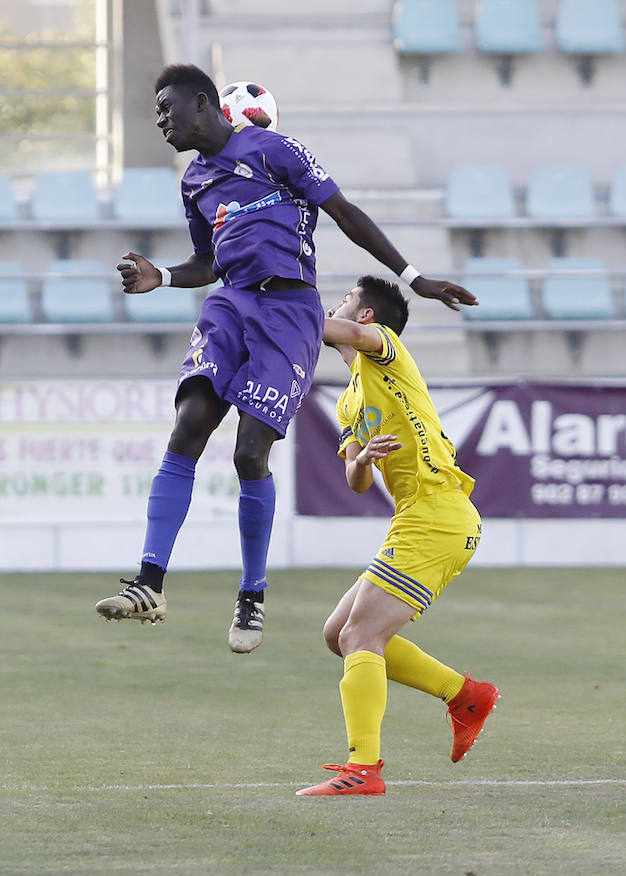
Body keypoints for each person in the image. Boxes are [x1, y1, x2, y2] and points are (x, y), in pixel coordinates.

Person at [94, 64, 477, 654]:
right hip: (229, 305)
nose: (160, 120)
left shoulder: (273, 150)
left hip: (291, 310)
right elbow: (208, 262)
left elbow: (344, 213)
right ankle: (151, 582)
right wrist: (163, 276)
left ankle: (251, 595)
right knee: (189, 425)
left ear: (204, 104)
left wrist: (415, 277)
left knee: (250, 452)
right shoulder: (194, 181)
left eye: (167, 109)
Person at [296, 276, 498, 796]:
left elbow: (332, 329)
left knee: (359, 636)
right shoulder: (348, 402)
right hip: (419, 517)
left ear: (364, 318)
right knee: (336, 634)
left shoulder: (387, 351)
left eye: (344, 301)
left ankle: (363, 768)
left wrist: (271, 312)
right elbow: (356, 483)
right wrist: (362, 459)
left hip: (438, 515)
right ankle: (465, 694)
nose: (335, 307)